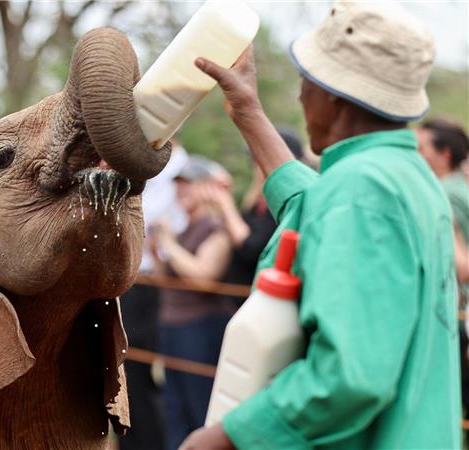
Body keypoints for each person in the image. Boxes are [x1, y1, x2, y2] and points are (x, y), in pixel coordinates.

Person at [181, 1, 460, 448]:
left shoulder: (359, 190)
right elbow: (311, 202)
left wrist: (229, 436)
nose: (299, 96)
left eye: (306, 82)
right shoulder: (408, 178)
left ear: (333, 95)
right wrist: (247, 111)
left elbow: (350, 376)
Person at [149, 156, 234, 450]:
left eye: (188, 185)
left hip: (200, 328)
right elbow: (168, 281)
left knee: (200, 407)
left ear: (206, 187)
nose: (181, 191)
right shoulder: (184, 229)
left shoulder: (216, 228)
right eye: (178, 186)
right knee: (174, 407)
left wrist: (168, 245)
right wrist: (157, 252)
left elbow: (204, 276)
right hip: (172, 327)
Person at [118, 142, 188, 450]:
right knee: (125, 371)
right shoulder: (140, 166)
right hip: (129, 281)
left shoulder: (179, 172)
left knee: (142, 373)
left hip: (152, 284)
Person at [203, 129, 304, 305]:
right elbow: (245, 224)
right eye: (254, 161)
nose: (256, 168)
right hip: (241, 299)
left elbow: (250, 247)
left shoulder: (287, 202)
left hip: (259, 301)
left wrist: (226, 204)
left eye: (259, 160)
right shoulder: (262, 200)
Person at [415, 118, 469, 442]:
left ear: (444, 153)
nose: (416, 154)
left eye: (422, 147)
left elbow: (458, 263)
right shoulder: (461, 188)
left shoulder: (445, 194)